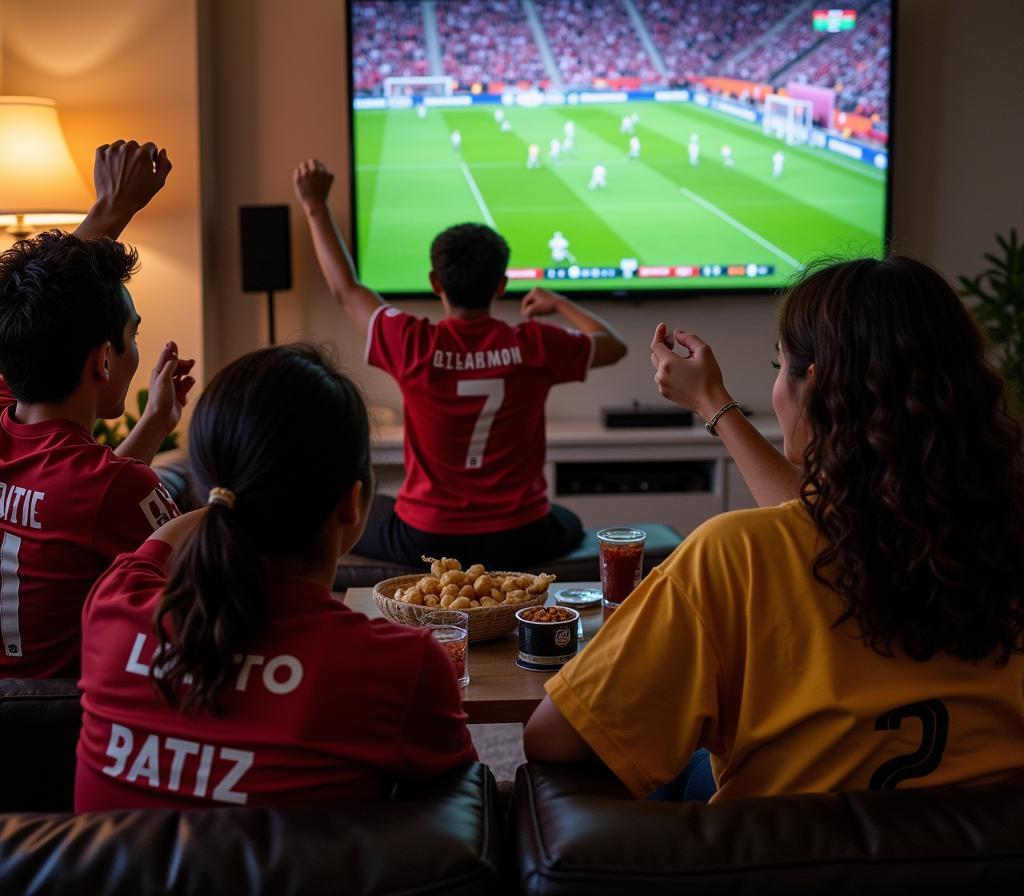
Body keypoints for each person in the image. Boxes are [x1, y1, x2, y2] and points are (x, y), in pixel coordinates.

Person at [524, 255, 1024, 802]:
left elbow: (553, 739)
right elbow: (827, 523)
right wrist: (712, 402)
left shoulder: (732, 555)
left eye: (777, 366)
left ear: (815, 385)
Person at [75, 344, 475, 810]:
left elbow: (152, 552)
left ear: (211, 489)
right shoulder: (404, 665)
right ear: (352, 501)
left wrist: (227, 504)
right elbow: (455, 798)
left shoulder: (112, 605)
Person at [294, 158, 627, 567]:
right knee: (567, 520)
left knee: (362, 504)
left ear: (436, 283)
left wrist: (315, 205)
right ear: (502, 286)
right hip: (520, 538)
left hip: (428, 538)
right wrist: (558, 301)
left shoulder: (411, 341)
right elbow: (613, 345)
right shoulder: (535, 343)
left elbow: (345, 290)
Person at [0, 141, 195, 679]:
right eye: (133, 335)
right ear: (103, 360)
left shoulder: (12, 415)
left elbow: (37, 306)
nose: (137, 347)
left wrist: (156, 421)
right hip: (69, 734)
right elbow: (207, 588)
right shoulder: (117, 488)